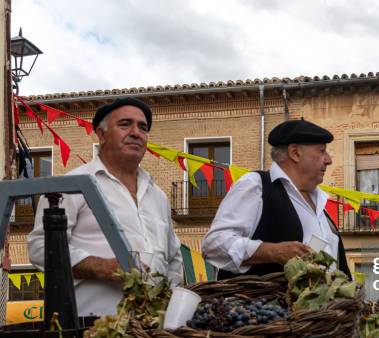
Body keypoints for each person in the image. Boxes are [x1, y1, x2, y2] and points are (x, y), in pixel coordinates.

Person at [28, 97, 183, 317]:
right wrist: (101, 267)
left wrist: (172, 308)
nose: (136, 132)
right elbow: (39, 246)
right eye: (124, 124)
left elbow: (173, 259)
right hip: (91, 329)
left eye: (142, 127)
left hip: (152, 331)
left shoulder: (158, 196)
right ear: (101, 135)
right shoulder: (72, 185)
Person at [202, 119, 351, 280]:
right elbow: (213, 245)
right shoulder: (257, 185)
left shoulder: (321, 205)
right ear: (295, 153)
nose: (328, 160)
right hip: (262, 303)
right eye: (321, 151)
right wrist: (271, 251)